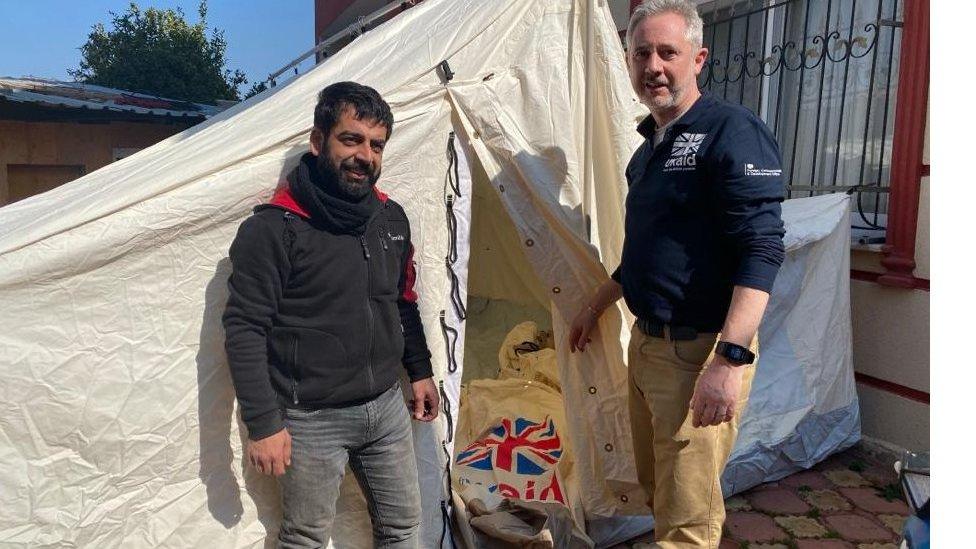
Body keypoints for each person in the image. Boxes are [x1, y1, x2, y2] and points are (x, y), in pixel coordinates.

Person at [569, 1, 786, 547]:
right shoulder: (647, 151)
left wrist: (729, 359)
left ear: (698, 58)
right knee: (657, 489)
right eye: (641, 53)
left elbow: (761, 249)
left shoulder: (731, 131)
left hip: (700, 352)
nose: (654, 66)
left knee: (688, 518)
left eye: (668, 52)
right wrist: (595, 305)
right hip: (646, 347)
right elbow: (647, 251)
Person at [222, 81, 438, 548]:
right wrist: (264, 423)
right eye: (351, 139)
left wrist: (419, 371)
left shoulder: (390, 218)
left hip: (384, 407)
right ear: (318, 141)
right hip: (309, 416)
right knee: (305, 539)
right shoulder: (273, 229)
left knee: (404, 528)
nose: (365, 155)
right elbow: (244, 328)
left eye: (376, 145)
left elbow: (402, 300)